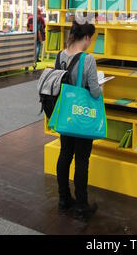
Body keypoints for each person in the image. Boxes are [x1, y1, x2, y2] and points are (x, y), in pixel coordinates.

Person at [56, 20, 102, 220]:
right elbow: (95, 91)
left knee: (65, 154)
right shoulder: (88, 59)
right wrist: (101, 87)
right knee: (82, 159)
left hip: (65, 115)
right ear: (87, 38)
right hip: (82, 116)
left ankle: (64, 199)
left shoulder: (60, 55)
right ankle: (82, 206)